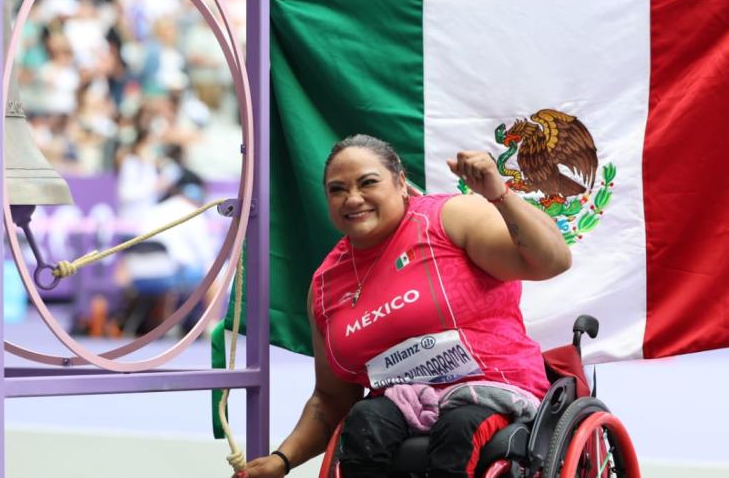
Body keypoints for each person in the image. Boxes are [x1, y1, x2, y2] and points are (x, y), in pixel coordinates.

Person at [235, 134, 571, 477]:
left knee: (458, 428)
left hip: (490, 390)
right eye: (337, 190)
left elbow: (552, 261)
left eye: (368, 183)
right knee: (364, 421)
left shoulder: (449, 218)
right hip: (402, 404)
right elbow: (331, 400)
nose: (352, 199)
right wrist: (282, 460)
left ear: (400, 182)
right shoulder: (325, 285)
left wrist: (499, 196)